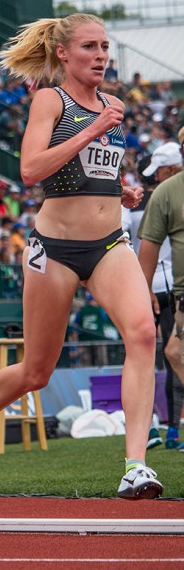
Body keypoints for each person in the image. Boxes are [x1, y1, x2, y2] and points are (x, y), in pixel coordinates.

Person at [0, 13, 162, 500]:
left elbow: (94, 171)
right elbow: (31, 170)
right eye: (90, 47)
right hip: (56, 250)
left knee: (143, 333)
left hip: (110, 244)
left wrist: (122, 190)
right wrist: (91, 131)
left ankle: (135, 466)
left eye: (105, 46)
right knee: (37, 370)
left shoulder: (112, 104)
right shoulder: (51, 100)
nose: (101, 56)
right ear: (65, 54)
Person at [136, 139, 184, 450]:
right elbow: (147, 249)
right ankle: (169, 430)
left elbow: (147, 250)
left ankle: (171, 430)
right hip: (169, 291)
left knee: (173, 354)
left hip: (170, 290)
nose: (154, 177)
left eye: (159, 172)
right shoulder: (162, 194)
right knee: (172, 355)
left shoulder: (163, 194)